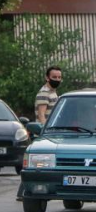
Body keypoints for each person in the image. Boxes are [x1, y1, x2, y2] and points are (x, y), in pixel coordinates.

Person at [18, 66, 62, 201]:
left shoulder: (53, 92)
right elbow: (42, 115)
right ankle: (24, 192)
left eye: (59, 77)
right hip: (44, 134)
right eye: (54, 77)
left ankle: (24, 192)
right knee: (36, 165)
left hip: (51, 133)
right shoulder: (44, 93)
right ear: (47, 77)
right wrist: (45, 132)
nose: (57, 80)